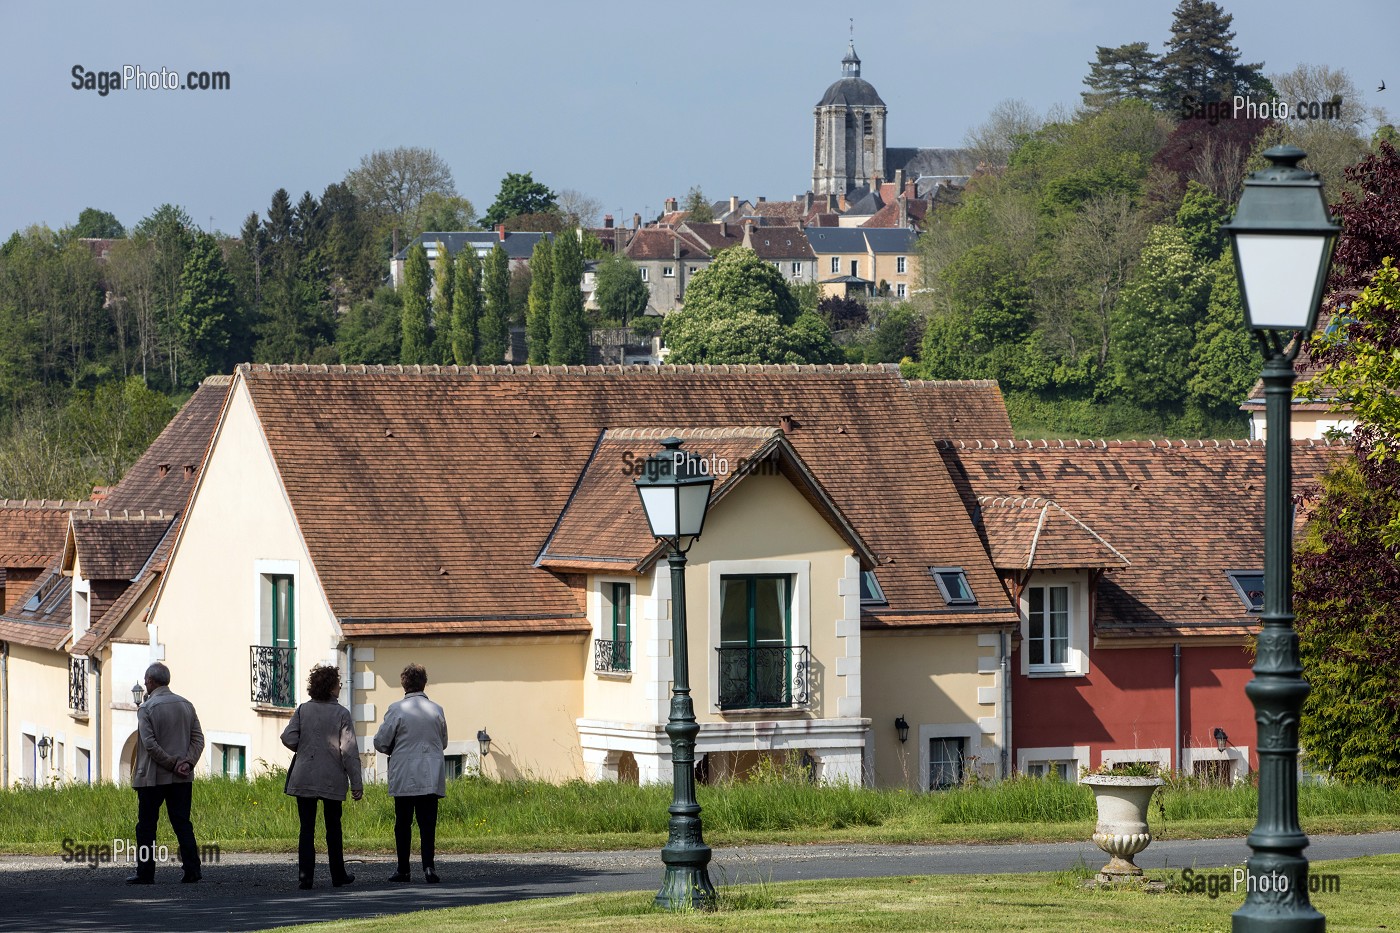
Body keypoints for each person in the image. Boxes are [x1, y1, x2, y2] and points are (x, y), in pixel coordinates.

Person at [281, 664, 363, 890]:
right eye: (338, 683)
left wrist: (306, 746)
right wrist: (356, 783)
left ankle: (305, 877)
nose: (340, 686)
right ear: (330, 687)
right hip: (332, 777)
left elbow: (288, 737)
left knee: (306, 829)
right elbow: (348, 751)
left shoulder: (303, 710)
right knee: (333, 827)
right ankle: (338, 875)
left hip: (304, 775)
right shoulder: (341, 714)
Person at [129, 662, 205, 884]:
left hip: (153, 777)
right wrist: (187, 763)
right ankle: (192, 869)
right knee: (182, 822)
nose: (144, 683)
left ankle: (146, 872)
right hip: (182, 777)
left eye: (146, 680)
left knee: (146, 826)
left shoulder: (147, 708)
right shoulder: (186, 705)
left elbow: (150, 745)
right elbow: (198, 739)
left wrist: (171, 764)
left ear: (151, 681)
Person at [373, 663, 448, 883]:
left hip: (405, 773)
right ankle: (429, 867)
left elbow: (381, 741)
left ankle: (403, 869)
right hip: (430, 774)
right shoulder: (437, 709)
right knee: (427, 823)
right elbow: (442, 742)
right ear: (424, 683)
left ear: (404, 684)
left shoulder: (396, 709)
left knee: (403, 823)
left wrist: (393, 747)